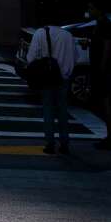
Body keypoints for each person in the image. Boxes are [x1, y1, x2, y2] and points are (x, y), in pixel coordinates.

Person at [27, 14, 79, 154]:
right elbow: (75, 57)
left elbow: (31, 57)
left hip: (46, 77)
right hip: (63, 77)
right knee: (62, 110)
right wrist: (66, 72)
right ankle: (64, 143)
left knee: (48, 110)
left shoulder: (40, 33)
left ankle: (50, 143)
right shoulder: (68, 36)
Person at [87, 2, 111, 150]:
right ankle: (110, 136)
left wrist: (102, 66)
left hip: (104, 70)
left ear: (98, 9)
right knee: (104, 101)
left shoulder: (105, 24)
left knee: (107, 101)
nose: (89, 10)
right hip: (101, 68)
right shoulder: (100, 24)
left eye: (91, 8)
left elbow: (107, 46)